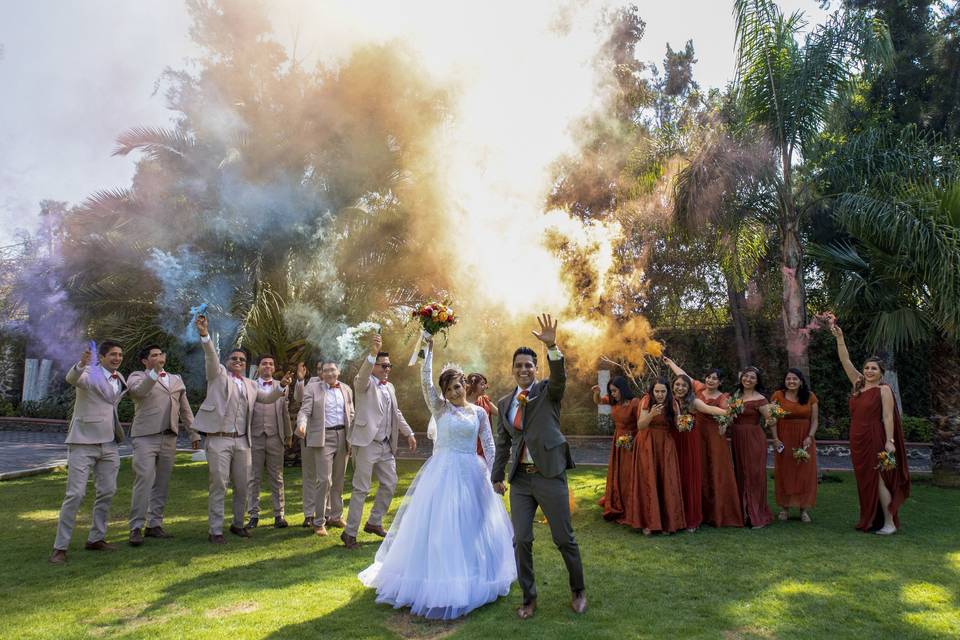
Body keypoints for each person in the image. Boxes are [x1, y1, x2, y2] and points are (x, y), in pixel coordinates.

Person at [358, 334, 515, 619]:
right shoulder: (439, 408)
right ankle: (435, 580)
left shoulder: (479, 413)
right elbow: (425, 380)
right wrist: (428, 349)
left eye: (458, 386)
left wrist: (496, 475)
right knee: (441, 526)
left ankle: (473, 576)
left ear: (465, 385)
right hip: (442, 474)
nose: (455, 392)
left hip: (472, 473)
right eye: (449, 388)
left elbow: (490, 446)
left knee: (473, 525)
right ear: (444, 392)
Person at [491, 314, 586, 619]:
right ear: (512, 369)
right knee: (521, 540)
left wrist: (552, 347)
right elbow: (503, 443)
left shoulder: (548, 391)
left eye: (528, 365)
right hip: (520, 481)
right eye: (518, 365)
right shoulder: (505, 403)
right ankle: (529, 597)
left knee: (563, 538)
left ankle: (578, 590)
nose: (523, 369)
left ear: (535, 369)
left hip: (549, 474)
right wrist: (497, 476)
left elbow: (560, 378)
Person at [192, 315, 291, 544]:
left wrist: (282, 386)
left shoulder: (250, 384)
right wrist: (205, 335)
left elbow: (266, 398)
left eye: (242, 359)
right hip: (218, 439)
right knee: (218, 484)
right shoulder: (217, 375)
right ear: (227, 361)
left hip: (242, 441)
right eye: (234, 358)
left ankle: (238, 524)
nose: (238, 361)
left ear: (246, 364)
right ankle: (215, 530)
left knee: (243, 484)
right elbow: (210, 356)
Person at [49, 341, 127, 564]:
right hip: (83, 442)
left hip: (109, 443)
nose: (117, 358)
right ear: (101, 357)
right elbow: (72, 379)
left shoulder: (120, 378)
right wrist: (82, 363)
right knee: (75, 495)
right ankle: (59, 548)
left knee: (108, 491)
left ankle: (96, 538)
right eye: (113, 354)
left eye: (120, 355)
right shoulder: (88, 373)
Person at [832, 325, 910, 534]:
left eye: (874, 369)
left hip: (875, 436)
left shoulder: (883, 389)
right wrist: (840, 337)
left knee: (879, 479)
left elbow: (887, 416)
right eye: (867, 368)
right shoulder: (858, 384)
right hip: (857, 437)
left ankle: (889, 523)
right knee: (865, 480)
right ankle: (872, 519)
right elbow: (845, 361)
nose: (869, 371)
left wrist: (890, 441)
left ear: (881, 373)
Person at [342, 334, 417, 549]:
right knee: (361, 489)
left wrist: (409, 433)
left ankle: (374, 522)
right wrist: (372, 354)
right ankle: (349, 533)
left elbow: (396, 412)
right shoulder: (362, 383)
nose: (387, 369)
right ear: (374, 366)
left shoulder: (390, 387)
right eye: (383, 366)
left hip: (385, 445)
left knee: (390, 483)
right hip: (366, 443)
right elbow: (363, 374)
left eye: (389, 366)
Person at [125, 344, 199, 546]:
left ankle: (154, 524)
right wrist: (154, 373)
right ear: (145, 360)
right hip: (145, 437)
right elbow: (139, 393)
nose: (159, 357)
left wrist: (193, 433)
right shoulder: (137, 377)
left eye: (161, 354)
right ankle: (135, 527)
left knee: (162, 484)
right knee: (144, 480)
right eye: (154, 355)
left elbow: (185, 410)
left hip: (169, 438)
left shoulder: (176, 379)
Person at [663, 359, 742, 528]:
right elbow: (683, 377)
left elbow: (718, 412)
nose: (710, 380)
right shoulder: (695, 389)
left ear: (720, 382)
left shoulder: (712, 398)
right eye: (708, 377)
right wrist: (670, 364)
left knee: (707, 470)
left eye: (715, 378)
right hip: (687, 435)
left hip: (705, 436)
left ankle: (708, 511)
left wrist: (729, 414)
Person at [296, 360, 354, 537]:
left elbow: (351, 412)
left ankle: (336, 516)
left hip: (343, 436)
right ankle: (319, 521)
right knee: (324, 480)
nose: (329, 373)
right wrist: (302, 425)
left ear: (339, 371)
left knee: (338, 479)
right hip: (323, 438)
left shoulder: (346, 389)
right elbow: (304, 411)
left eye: (332, 370)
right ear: (321, 373)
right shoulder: (312, 388)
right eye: (326, 370)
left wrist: (353, 435)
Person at [624, 378, 686, 535]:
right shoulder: (646, 400)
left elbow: (679, 425)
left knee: (666, 480)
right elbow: (640, 425)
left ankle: (667, 523)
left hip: (665, 444)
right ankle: (648, 522)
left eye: (663, 391)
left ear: (668, 392)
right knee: (648, 480)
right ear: (652, 391)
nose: (660, 394)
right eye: (657, 391)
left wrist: (685, 423)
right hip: (647, 443)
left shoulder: (673, 403)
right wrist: (651, 414)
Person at [246, 354, 294, 530]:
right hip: (254, 436)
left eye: (270, 364)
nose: (267, 366)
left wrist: (288, 434)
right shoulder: (249, 386)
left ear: (274, 368)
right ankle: (253, 515)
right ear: (258, 367)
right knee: (253, 478)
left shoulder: (282, 386)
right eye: (264, 363)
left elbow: (284, 411)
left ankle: (279, 515)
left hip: (275, 436)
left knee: (277, 477)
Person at [770, 368, 819, 523]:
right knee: (785, 472)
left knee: (804, 473)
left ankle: (803, 509)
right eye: (788, 379)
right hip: (784, 438)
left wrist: (810, 436)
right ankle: (784, 508)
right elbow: (772, 419)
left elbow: (815, 420)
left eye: (794, 379)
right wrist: (776, 438)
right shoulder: (778, 396)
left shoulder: (810, 397)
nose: (791, 381)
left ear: (801, 381)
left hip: (805, 438)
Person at [730, 367, 774, 529]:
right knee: (740, 473)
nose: (748, 379)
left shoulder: (760, 399)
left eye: (752, 377)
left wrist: (771, 420)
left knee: (753, 475)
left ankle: (756, 514)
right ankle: (743, 513)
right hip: (737, 437)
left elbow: (771, 420)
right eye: (746, 376)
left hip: (754, 438)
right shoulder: (735, 396)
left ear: (757, 381)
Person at [591, 376, 639, 521]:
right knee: (617, 472)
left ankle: (630, 504)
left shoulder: (634, 403)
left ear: (622, 389)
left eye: (615, 391)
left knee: (628, 473)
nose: (612, 394)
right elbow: (598, 401)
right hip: (618, 439)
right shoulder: (613, 401)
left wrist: (633, 440)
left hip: (632, 440)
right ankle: (617, 501)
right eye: (610, 391)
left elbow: (641, 424)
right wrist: (597, 392)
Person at [466, 372, 498, 456]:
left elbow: (499, 413)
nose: (486, 387)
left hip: (484, 443)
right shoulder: (463, 403)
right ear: (473, 385)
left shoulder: (485, 399)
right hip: (470, 443)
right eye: (482, 384)